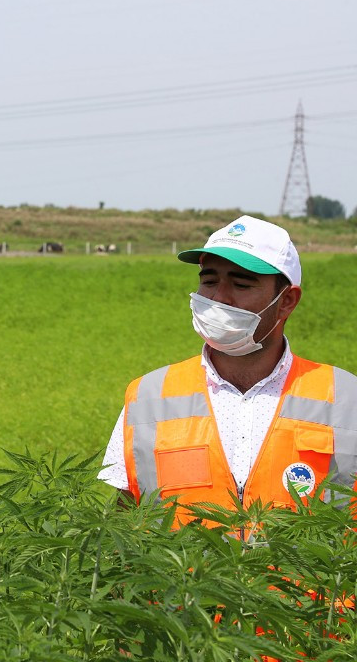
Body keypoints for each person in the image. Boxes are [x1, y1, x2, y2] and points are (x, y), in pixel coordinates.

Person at [99, 215, 357, 527]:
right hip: (182, 577)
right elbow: (123, 525)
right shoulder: (147, 396)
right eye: (208, 281)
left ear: (287, 301)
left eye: (241, 283)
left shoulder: (347, 399)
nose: (219, 298)